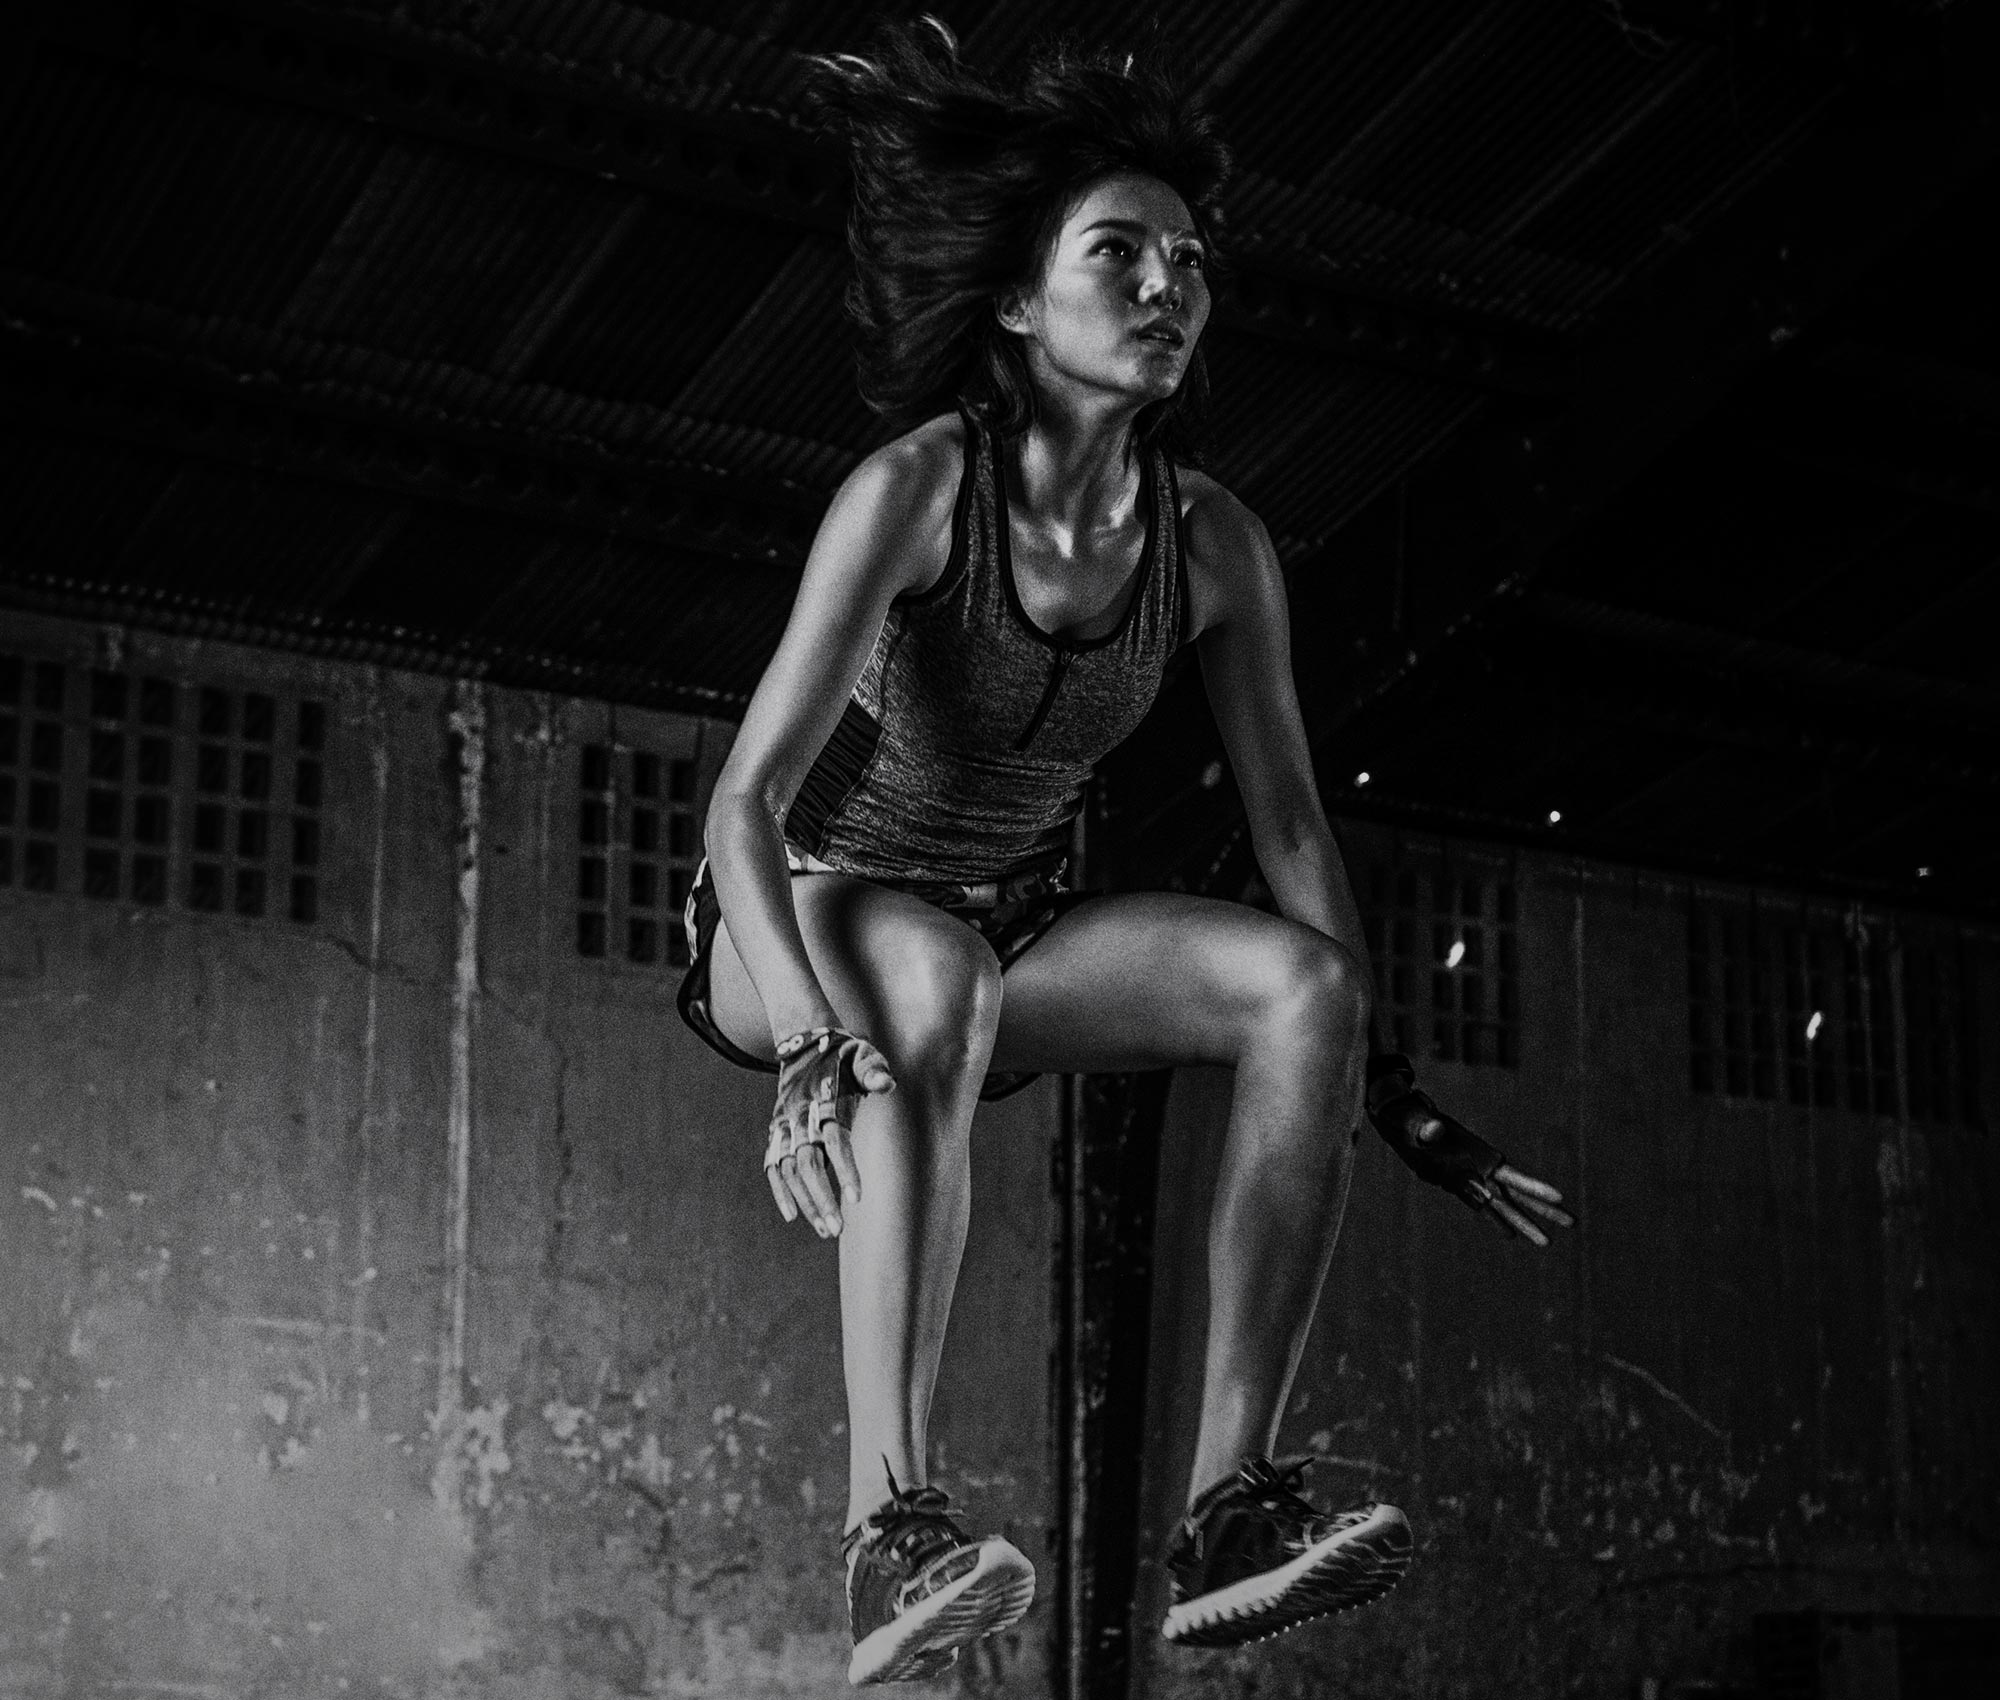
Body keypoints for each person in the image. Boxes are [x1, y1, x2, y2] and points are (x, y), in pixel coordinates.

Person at [676, 18, 1573, 1686]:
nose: (1168, 288)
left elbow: (1291, 822)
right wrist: (809, 1039)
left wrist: (1391, 1087)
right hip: (789, 915)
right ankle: (894, 1529)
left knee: (1300, 985)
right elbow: (742, 800)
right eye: (1120, 256)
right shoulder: (917, 492)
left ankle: (1230, 1509)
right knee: (928, 977)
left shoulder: (1213, 540)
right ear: (1021, 300)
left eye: (1190, 264)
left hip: (1004, 941)